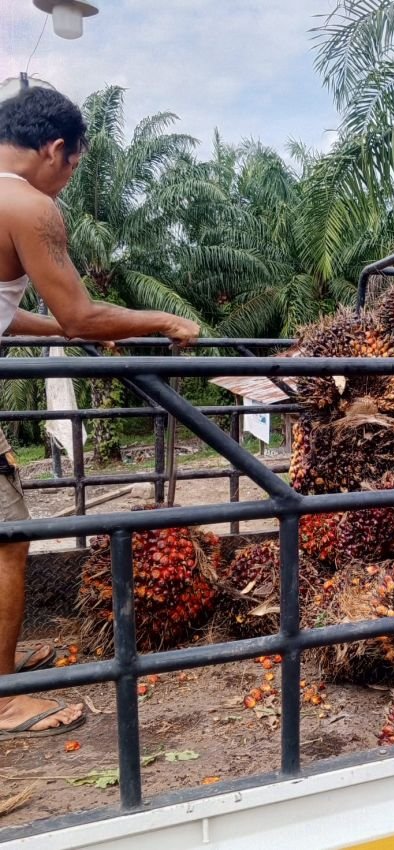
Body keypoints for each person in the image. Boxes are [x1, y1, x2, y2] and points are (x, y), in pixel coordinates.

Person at [0, 86, 199, 739]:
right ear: (57, 148)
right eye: (75, 164)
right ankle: (5, 698)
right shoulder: (28, 205)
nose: (69, 179)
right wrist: (166, 318)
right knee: (8, 546)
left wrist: (62, 334)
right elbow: (81, 310)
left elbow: (21, 318)